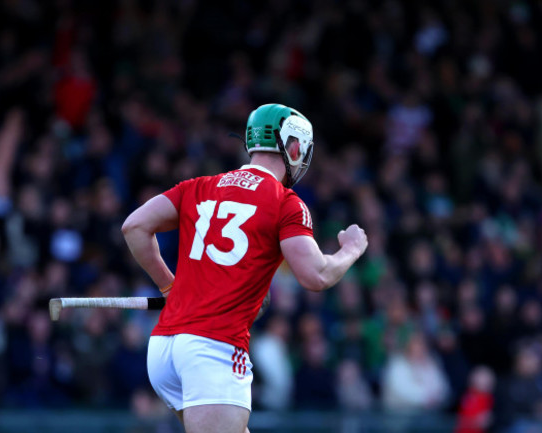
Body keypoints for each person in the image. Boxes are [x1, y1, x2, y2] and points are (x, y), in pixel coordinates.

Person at [122, 103, 368, 433]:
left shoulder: (198, 186)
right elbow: (317, 274)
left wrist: (169, 285)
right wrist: (350, 250)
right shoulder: (285, 202)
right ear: (294, 147)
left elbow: (134, 227)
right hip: (214, 349)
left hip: (164, 348)